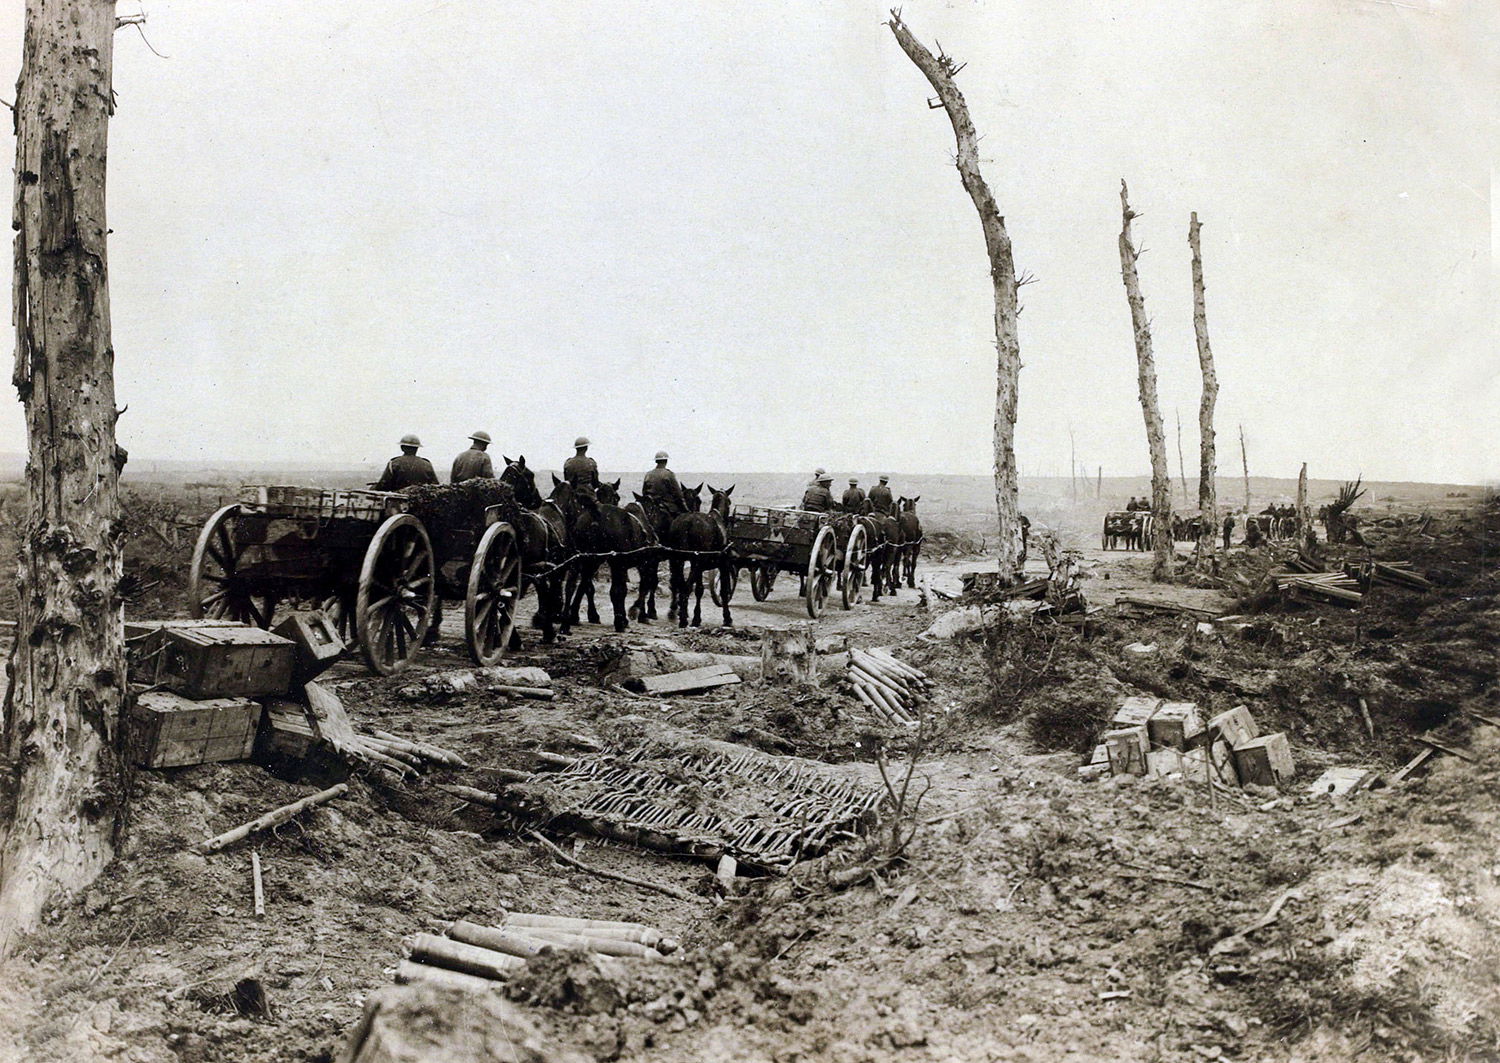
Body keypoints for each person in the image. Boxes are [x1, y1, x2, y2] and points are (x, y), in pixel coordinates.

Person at [642, 450, 687, 518]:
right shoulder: (669, 474)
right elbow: (678, 494)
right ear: (666, 461)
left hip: (650, 505)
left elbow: (644, 492)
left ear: (656, 461)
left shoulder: (648, 474)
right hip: (667, 505)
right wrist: (685, 508)